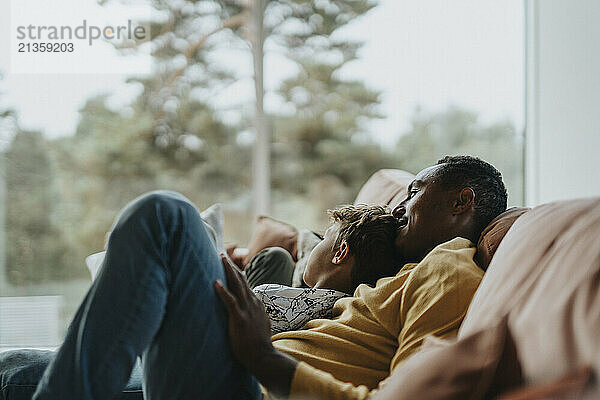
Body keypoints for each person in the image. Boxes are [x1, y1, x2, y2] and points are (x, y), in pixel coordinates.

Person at [33, 155, 507, 400]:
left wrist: (263, 357)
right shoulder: (404, 273)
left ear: (461, 201)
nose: (399, 206)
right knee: (15, 369)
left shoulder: (450, 271)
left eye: (414, 193)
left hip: (252, 384)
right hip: (242, 378)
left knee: (167, 216)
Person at [254, 204, 401, 333]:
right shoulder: (355, 310)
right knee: (278, 257)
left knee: (274, 257)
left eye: (324, 238)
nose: (316, 245)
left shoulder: (265, 298)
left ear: (341, 253)